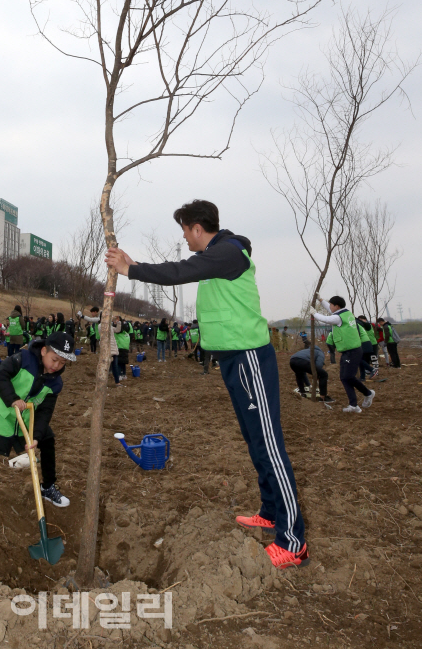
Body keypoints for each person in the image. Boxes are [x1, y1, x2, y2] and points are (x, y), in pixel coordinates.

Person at [106, 197, 308, 569]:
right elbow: (185, 269)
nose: (184, 238)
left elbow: (181, 271)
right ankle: (270, 510)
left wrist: (132, 271)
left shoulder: (228, 252)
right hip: (233, 359)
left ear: (198, 228)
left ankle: (292, 541)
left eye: (185, 231)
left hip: (249, 357)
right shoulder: (219, 255)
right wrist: (131, 265)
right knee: (254, 440)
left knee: (268, 443)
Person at [0, 331, 75, 509]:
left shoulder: (55, 383)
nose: (57, 365)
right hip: (2, 415)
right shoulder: (23, 360)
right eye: (54, 359)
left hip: (27, 419)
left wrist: (36, 436)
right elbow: (1, 376)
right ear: (44, 351)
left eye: (63, 362)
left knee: (47, 439)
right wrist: (13, 398)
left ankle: (48, 487)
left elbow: (45, 412)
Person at [312, 296, 375, 413]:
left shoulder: (338, 317)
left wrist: (314, 314)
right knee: (344, 378)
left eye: (331, 304)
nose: (330, 307)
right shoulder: (346, 313)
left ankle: (368, 393)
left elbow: (326, 319)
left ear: (337, 306)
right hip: (347, 351)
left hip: (352, 351)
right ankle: (354, 405)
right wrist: (321, 300)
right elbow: (330, 310)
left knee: (348, 377)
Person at [289, 333, 330, 400]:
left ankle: (302, 392)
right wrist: (318, 375)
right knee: (324, 374)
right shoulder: (320, 353)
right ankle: (323, 396)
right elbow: (318, 365)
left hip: (292, 360)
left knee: (299, 374)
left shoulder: (308, 349)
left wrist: (309, 384)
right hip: (303, 361)